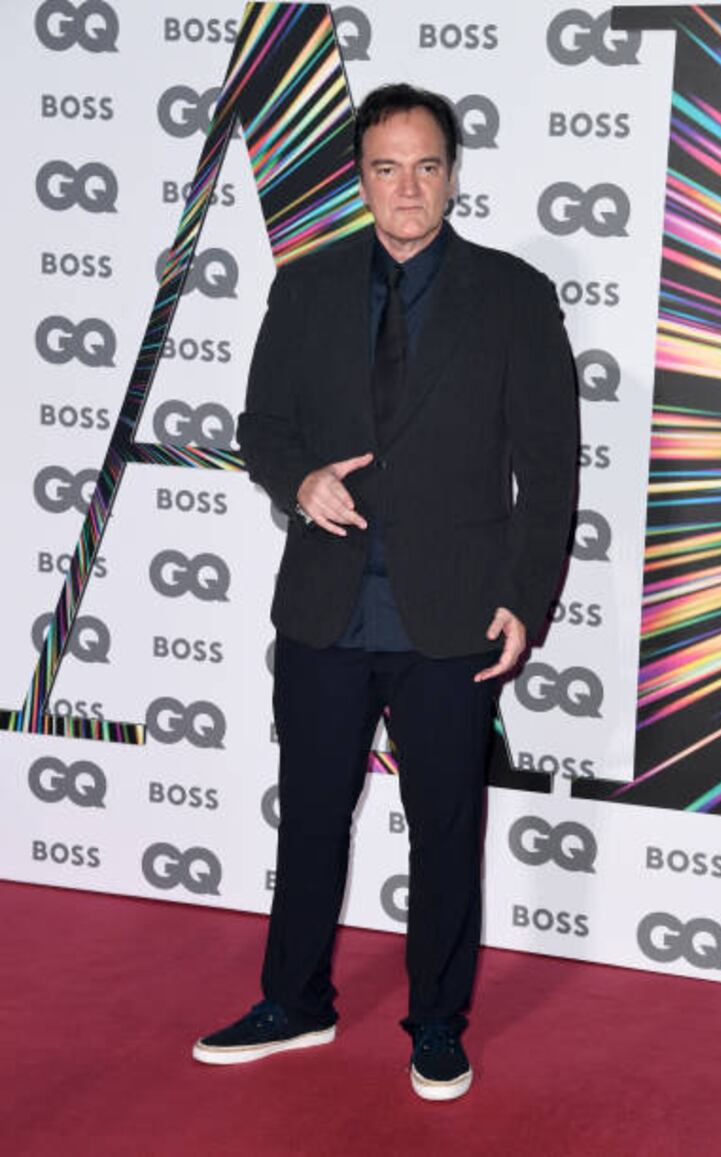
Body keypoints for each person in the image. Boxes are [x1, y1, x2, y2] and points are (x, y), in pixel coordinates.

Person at [193, 83, 577, 1101]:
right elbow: (263, 427)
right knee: (311, 814)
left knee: (446, 821)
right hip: (326, 603)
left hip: (452, 610)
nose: (406, 187)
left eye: (426, 165)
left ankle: (438, 1020)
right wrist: (298, 479)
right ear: (359, 176)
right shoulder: (306, 286)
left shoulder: (513, 293)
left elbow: (549, 466)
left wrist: (523, 597)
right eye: (384, 167)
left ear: (452, 172)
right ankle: (294, 999)